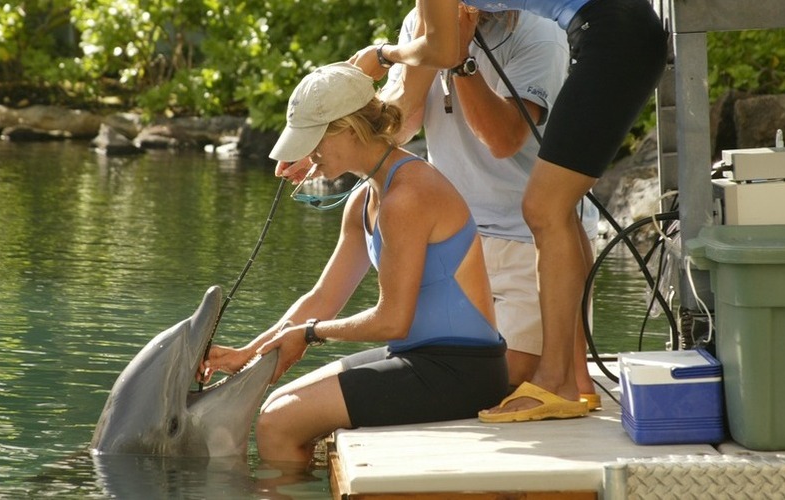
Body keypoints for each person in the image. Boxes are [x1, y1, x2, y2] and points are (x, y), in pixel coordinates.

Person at [352, 0, 667, 422]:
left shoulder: (535, 34)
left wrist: (381, 54)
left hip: (612, 31)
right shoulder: (428, 18)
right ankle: (575, 380)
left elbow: (446, 56)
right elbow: (408, 109)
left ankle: (558, 383)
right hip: (610, 30)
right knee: (554, 206)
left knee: (544, 207)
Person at [199, 61, 510, 467]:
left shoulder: (407, 197)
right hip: (419, 357)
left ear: (348, 128)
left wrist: (308, 334)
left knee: (279, 422)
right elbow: (324, 296)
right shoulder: (365, 199)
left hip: (461, 373)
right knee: (277, 405)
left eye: (314, 140)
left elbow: (393, 320)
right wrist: (250, 352)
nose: (308, 155)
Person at [380, 7, 601, 410]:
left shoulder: (543, 34)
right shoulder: (423, 21)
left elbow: (503, 139)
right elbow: (398, 128)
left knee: (496, 378)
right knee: (429, 368)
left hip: (526, 243)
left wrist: (459, 60)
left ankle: (567, 369)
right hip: (457, 241)